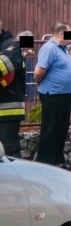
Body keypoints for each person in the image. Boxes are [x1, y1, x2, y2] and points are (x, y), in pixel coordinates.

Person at [34, 22, 71, 170]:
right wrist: (39, 84)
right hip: (53, 94)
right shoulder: (49, 48)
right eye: (69, 34)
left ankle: (58, 161)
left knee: (61, 129)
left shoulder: (63, 49)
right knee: (51, 128)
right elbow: (39, 71)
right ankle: (46, 162)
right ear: (61, 34)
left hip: (64, 94)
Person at [0, 20, 26, 158]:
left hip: (7, 111)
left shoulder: (12, 46)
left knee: (9, 151)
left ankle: (15, 179)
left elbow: (3, 65)